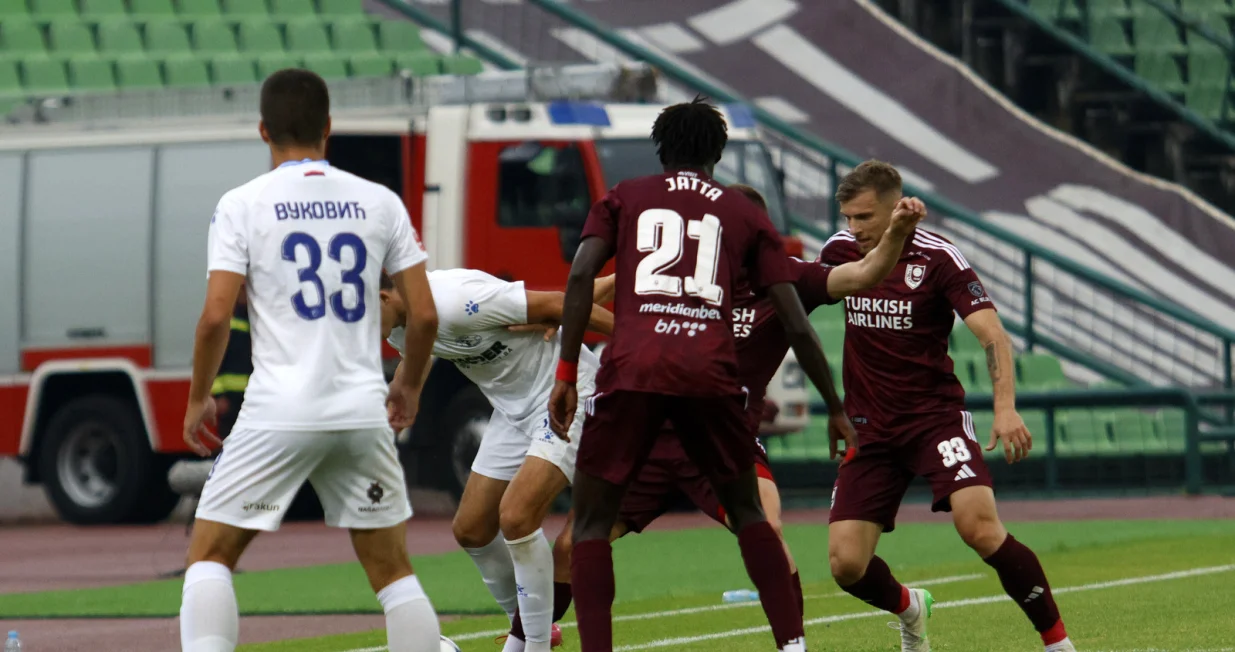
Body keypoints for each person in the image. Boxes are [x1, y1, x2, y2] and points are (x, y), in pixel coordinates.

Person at [519, 183, 923, 632]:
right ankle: (521, 642)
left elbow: (863, 275)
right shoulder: (686, 268)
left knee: (767, 532)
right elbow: (610, 281)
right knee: (570, 547)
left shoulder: (786, 280)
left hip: (724, 439)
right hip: (650, 437)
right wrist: (559, 312)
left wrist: (897, 234)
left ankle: (793, 646)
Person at [549, 97, 856, 652]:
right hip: (708, 376)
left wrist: (567, 373)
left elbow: (579, 279)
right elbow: (795, 321)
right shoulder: (743, 214)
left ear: (659, 149)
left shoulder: (624, 197)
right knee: (748, 514)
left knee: (591, 527)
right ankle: (794, 647)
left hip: (633, 370)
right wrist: (834, 406)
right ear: (718, 153)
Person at [180, 69, 441, 652]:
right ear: (329, 128)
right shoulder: (380, 202)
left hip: (278, 410)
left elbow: (216, 316)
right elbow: (423, 316)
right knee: (393, 572)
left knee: (210, 556)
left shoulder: (242, 204)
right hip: (360, 411)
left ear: (262, 131)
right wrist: (410, 384)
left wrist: (199, 396)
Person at [820, 161, 1074, 652]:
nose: (855, 229)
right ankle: (910, 607)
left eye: (865, 217)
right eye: (849, 217)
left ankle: (1058, 643)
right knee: (846, 565)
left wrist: (1005, 408)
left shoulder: (939, 257)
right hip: (869, 428)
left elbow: (992, 334)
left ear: (897, 207)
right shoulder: (838, 251)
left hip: (933, 421)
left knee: (977, 526)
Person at [378, 269, 612, 652]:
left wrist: (638, 345)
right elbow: (414, 360)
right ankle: (529, 625)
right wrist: (401, 401)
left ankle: (532, 644)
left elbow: (561, 303)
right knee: (471, 528)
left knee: (517, 517)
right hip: (510, 411)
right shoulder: (400, 324)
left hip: (565, 393)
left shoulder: (456, 301)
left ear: (386, 298)